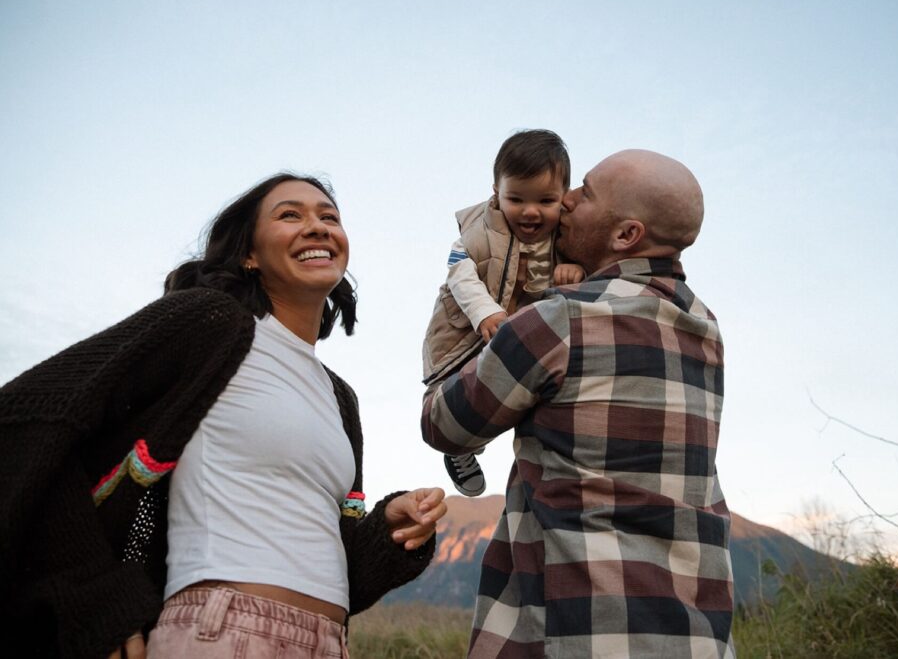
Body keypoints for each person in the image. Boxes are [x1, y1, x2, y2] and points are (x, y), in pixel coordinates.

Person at [0, 173, 447, 658]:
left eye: (329, 216)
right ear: (248, 255)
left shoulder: (340, 397)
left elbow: (338, 575)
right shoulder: (210, 327)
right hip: (221, 633)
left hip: (327, 642)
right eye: (289, 215)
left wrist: (389, 531)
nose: (317, 226)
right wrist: (94, 596)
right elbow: (26, 417)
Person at [422, 150, 734, 657]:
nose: (565, 202)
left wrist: (456, 337)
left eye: (584, 192)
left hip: (577, 630)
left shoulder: (560, 321)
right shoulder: (705, 331)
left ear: (626, 236)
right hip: (697, 636)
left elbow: (446, 426)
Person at [421, 129, 583, 497]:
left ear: (564, 199)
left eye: (546, 200)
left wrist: (573, 272)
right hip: (465, 326)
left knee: (509, 397)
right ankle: (459, 450)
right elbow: (459, 274)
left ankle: (482, 445)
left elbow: (575, 281)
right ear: (496, 193)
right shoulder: (479, 231)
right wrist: (484, 313)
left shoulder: (565, 239)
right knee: (453, 387)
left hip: (519, 334)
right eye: (516, 199)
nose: (530, 211)